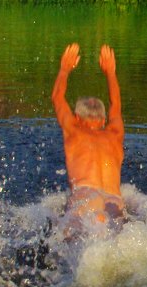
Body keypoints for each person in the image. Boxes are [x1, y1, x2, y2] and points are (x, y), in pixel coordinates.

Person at [52, 42, 127, 234]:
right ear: (103, 120)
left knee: (70, 245)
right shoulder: (115, 134)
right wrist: (110, 71)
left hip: (85, 197)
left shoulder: (74, 131)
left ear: (77, 117)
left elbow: (57, 98)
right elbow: (116, 103)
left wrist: (64, 69)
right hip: (114, 199)